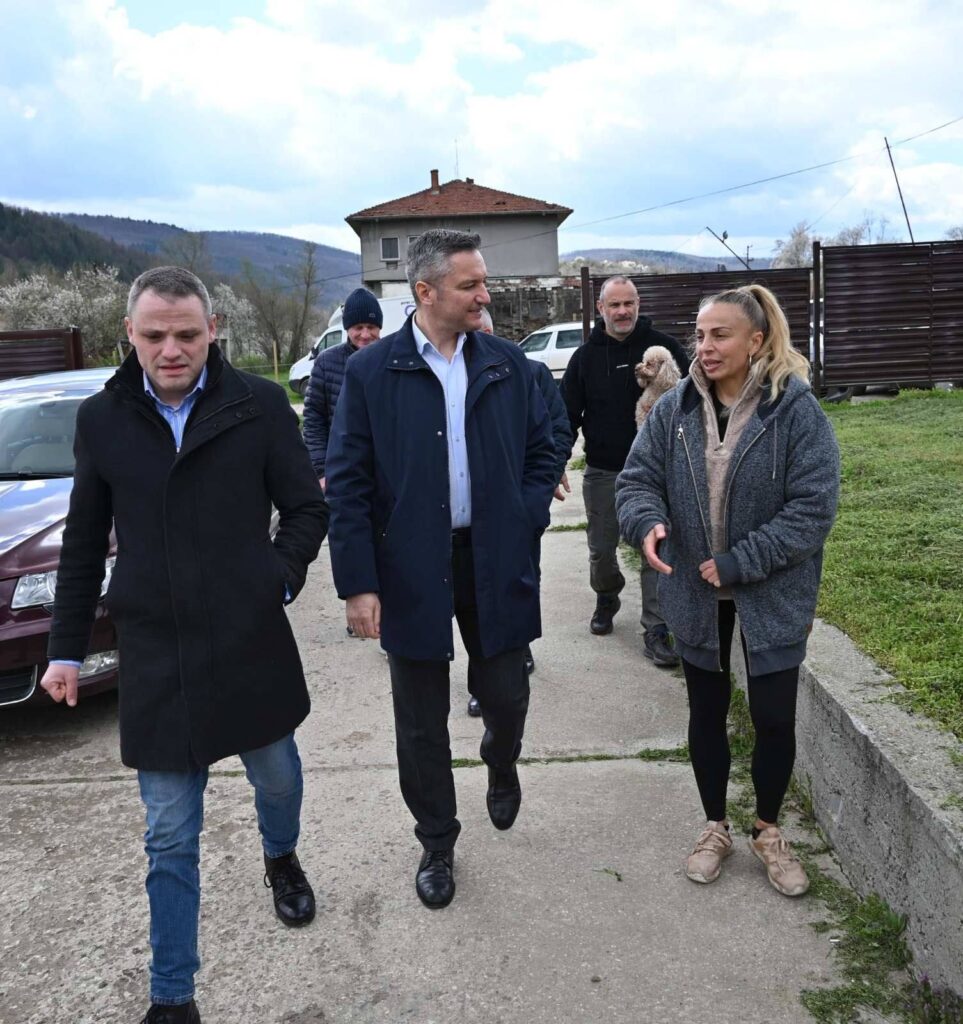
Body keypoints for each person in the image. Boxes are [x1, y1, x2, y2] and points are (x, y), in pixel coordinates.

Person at [40, 267, 328, 1024]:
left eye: (187, 334)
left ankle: (280, 855)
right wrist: (65, 650)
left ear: (212, 331)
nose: (171, 350)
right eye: (155, 335)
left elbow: (306, 508)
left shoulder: (258, 404)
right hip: (156, 653)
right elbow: (82, 543)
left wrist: (277, 578)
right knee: (169, 833)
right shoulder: (102, 419)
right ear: (129, 335)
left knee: (278, 782)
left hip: (249, 640)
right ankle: (173, 997)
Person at [325, 229, 556, 909]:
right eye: (470, 285)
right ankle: (436, 841)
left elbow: (545, 447)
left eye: (484, 281)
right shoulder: (372, 372)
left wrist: (524, 513)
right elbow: (348, 482)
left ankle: (500, 760)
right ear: (425, 292)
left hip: (496, 555)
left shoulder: (509, 364)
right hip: (410, 566)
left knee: (507, 695)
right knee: (420, 720)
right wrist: (358, 583)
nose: (485, 295)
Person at [615, 283, 840, 897]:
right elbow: (636, 480)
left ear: (756, 341)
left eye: (720, 335)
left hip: (773, 590)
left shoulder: (795, 412)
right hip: (693, 589)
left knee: (773, 718)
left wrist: (743, 560)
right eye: (700, 335)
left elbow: (814, 507)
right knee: (706, 714)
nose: (705, 347)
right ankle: (715, 826)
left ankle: (768, 830)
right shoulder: (674, 410)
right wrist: (646, 521)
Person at [559, 276, 689, 665]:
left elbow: (693, 404)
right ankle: (607, 595)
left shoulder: (664, 349)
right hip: (604, 470)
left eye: (628, 303)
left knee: (655, 548)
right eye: (614, 305)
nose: (622, 311)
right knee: (602, 551)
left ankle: (656, 628)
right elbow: (566, 416)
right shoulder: (584, 358)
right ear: (601, 308)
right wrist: (555, 462)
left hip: (657, 473)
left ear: (638, 304)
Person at [466, 307, 572, 716]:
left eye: (486, 332)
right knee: (477, 594)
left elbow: (557, 431)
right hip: (472, 513)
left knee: (522, 577)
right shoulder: (454, 379)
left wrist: (537, 493)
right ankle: (484, 681)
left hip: (520, 505)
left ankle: (519, 648)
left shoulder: (532, 373)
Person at [303, 287, 383, 491]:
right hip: (342, 471)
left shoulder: (392, 359)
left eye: (371, 327)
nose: (365, 334)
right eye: (358, 327)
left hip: (384, 473)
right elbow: (314, 420)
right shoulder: (326, 362)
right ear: (347, 328)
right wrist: (321, 471)